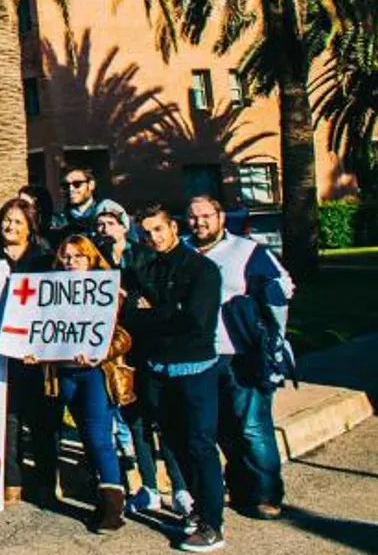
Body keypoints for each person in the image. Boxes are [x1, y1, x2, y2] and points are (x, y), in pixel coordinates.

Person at [123, 204, 226, 553]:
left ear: (173, 227)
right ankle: (197, 511)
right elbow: (130, 314)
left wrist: (152, 315)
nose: (153, 237)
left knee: (200, 446)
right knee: (176, 446)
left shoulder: (202, 269)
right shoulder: (146, 266)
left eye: (159, 229)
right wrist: (158, 315)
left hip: (194, 370)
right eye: (146, 232)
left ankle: (213, 524)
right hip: (158, 371)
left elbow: (195, 320)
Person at [188, 195, 293, 521]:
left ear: (220, 217)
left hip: (240, 354)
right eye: (192, 217)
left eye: (206, 215)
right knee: (220, 429)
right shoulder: (183, 250)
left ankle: (266, 494)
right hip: (200, 356)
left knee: (252, 427)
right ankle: (238, 486)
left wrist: (267, 327)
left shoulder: (247, 251)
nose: (199, 222)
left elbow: (283, 286)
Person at [39, 235, 130, 532]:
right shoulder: (50, 291)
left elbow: (123, 337)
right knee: (85, 436)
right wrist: (33, 351)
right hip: (62, 374)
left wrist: (100, 351)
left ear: (91, 259)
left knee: (98, 436)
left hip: (93, 374)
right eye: (66, 256)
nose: (71, 262)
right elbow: (40, 331)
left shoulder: (107, 291)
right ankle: (100, 498)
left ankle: (114, 506)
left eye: (78, 256)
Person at [0, 196, 60, 505]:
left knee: (42, 418)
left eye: (18, 221)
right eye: (6, 219)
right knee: (7, 417)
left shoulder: (45, 259)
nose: (10, 225)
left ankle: (46, 479)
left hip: (35, 354)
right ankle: (11, 480)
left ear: (30, 227)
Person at [50, 164, 125, 246]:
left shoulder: (111, 211)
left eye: (77, 184)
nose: (71, 189)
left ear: (91, 185)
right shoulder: (57, 221)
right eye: (65, 185)